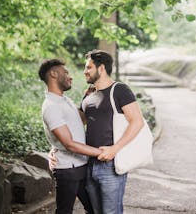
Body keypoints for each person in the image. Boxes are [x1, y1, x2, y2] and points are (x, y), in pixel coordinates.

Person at [81, 50, 145, 214]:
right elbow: (80, 123)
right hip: (89, 163)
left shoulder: (120, 90)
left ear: (101, 68)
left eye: (89, 67)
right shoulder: (89, 94)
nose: (85, 71)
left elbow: (137, 121)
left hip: (110, 165)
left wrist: (114, 149)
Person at [39, 58, 106, 214]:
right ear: (54, 74)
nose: (70, 76)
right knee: (65, 211)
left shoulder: (64, 100)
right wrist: (102, 152)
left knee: (94, 208)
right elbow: (69, 143)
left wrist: (86, 99)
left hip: (80, 165)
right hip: (68, 169)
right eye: (66, 72)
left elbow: (80, 120)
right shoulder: (51, 106)